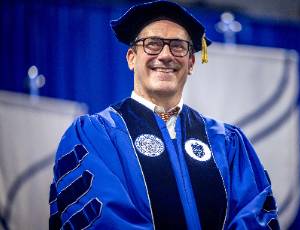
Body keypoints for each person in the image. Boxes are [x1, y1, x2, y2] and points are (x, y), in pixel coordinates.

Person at [49, 1, 279, 229]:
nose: (166, 55)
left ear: (190, 62)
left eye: (178, 46)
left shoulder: (227, 142)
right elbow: (102, 219)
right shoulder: (94, 135)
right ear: (131, 58)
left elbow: (254, 214)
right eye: (153, 44)